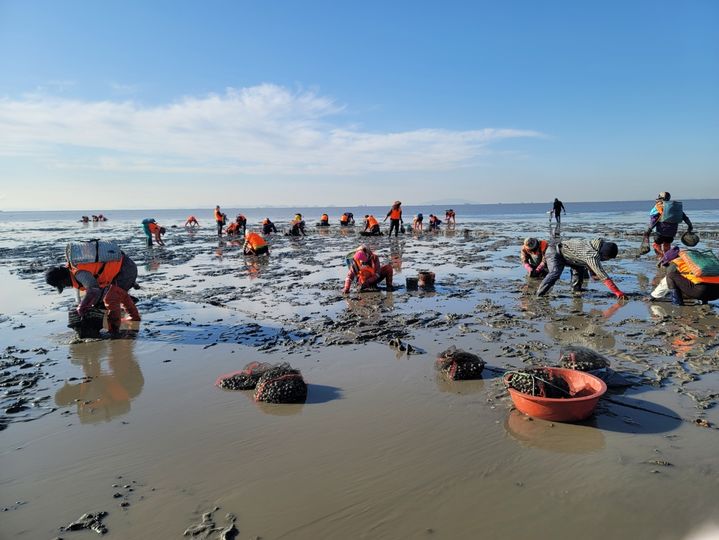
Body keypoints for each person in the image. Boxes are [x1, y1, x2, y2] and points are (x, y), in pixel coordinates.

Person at [44, 241, 141, 335]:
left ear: (62, 279)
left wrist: (83, 306)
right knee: (112, 297)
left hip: (125, 270)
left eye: (63, 285)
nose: (65, 286)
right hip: (125, 268)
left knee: (111, 298)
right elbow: (85, 294)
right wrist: (83, 305)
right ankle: (134, 317)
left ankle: (114, 331)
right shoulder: (72, 270)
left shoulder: (79, 273)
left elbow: (93, 290)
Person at [536, 238, 626, 299]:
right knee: (555, 273)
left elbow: (589, 263)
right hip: (555, 252)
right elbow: (603, 275)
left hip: (571, 256)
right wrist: (617, 292)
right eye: (608, 258)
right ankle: (540, 293)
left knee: (579, 269)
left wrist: (592, 273)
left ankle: (576, 289)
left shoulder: (596, 243)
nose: (606, 260)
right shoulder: (591, 255)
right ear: (604, 254)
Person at [651, 246, 719, 305]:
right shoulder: (695, 260)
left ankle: (677, 302)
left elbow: (665, 282)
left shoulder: (676, 263)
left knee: (671, 276)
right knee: (700, 278)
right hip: (716, 294)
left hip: (701, 292)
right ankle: (704, 302)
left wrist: (653, 296)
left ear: (671, 260)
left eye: (666, 264)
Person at [644, 192, 693, 258]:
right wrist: (690, 225)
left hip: (661, 231)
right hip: (672, 232)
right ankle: (667, 258)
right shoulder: (673, 207)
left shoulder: (659, 206)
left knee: (656, 245)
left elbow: (654, 220)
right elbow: (684, 217)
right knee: (667, 244)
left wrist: (649, 229)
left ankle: (661, 258)